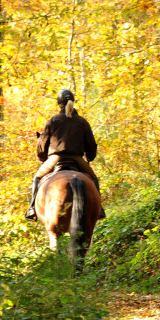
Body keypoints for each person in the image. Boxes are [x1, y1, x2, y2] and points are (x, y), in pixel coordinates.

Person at [25, 89, 105, 221]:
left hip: (55, 159)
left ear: (59, 104)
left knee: (37, 178)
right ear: (72, 102)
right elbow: (91, 145)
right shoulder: (82, 122)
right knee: (93, 178)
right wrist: (90, 157)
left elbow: (42, 144)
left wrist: (42, 157)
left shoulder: (53, 120)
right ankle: (99, 208)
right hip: (77, 159)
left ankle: (32, 207)